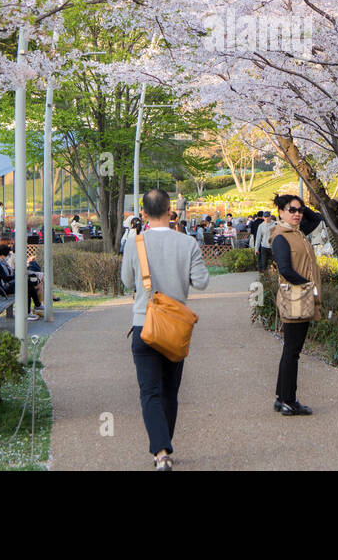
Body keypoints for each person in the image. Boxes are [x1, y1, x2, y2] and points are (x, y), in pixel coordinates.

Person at [120, 188, 209, 471]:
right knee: (170, 391)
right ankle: (164, 448)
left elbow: (125, 281)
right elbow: (202, 281)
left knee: (150, 392)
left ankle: (160, 452)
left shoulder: (135, 243)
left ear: (143, 213)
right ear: (171, 210)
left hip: (143, 324)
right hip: (174, 329)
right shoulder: (187, 243)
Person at [270, 194, 321, 415]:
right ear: (280, 212)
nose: (298, 214)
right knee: (293, 351)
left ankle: (282, 398)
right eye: (291, 210)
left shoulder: (298, 232)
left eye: (299, 210)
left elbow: (317, 219)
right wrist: (310, 286)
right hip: (296, 297)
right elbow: (285, 269)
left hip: (302, 295)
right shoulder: (282, 237)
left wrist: (300, 204)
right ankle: (289, 400)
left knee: (290, 349)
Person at [0, 243, 40, 320]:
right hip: (3, 289)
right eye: (7, 255)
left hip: (6, 285)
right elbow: (6, 279)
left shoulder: (1, 263)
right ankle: (32, 309)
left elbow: (8, 276)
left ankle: (33, 308)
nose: (8, 257)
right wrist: (18, 276)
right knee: (26, 285)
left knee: (27, 283)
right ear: (3, 255)